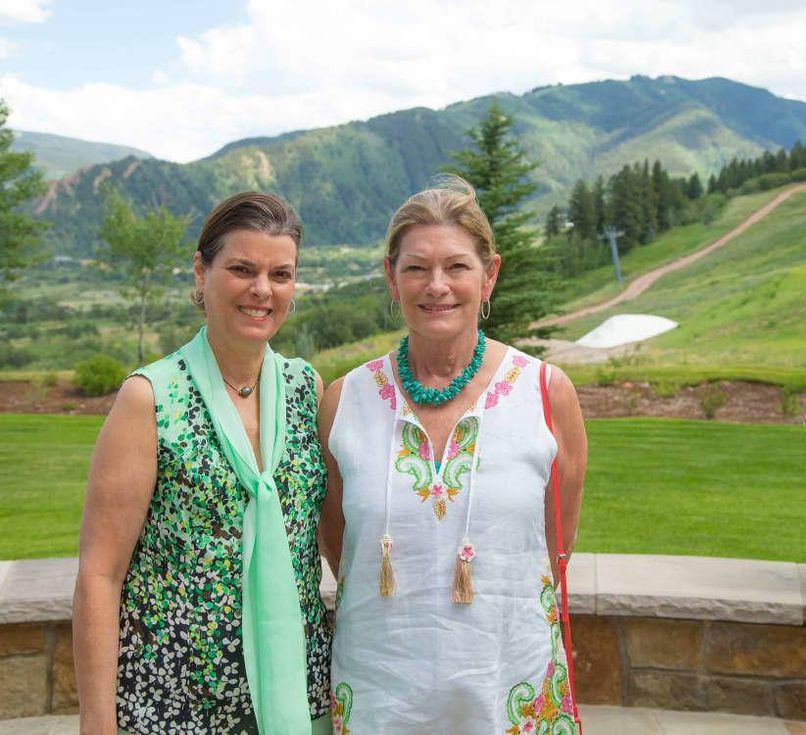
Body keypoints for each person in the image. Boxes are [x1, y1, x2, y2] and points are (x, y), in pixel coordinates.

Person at [318, 176, 587, 733]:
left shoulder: (545, 392)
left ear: (489, 276)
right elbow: (341, 544)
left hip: (506, 680)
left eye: (457, 267)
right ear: (391, 279)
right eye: (415, 267)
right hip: (380, 686)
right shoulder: (345, 401)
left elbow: (553, 547)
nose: (435, 285)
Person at [73, 192, 331, 734]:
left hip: (292, 698)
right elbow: (100, 574)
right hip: (173, 704)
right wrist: (97, 724)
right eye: (242, 269)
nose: (262, 290)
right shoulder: (150, 398)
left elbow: (330, 541)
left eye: (280, 274)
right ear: (201, 271)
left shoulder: (306, 389)